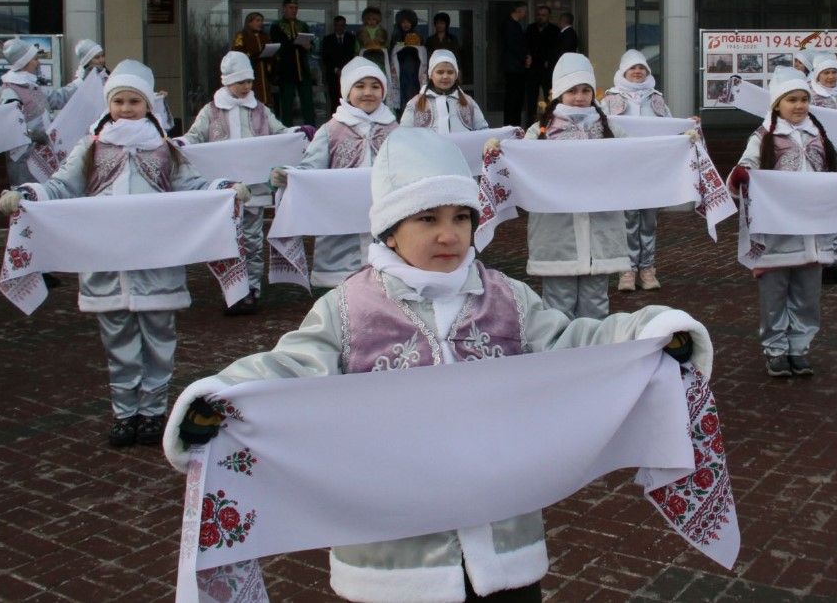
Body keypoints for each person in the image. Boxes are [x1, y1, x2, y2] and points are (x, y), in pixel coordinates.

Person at [164, 127, 711, 603]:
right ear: (389, 229)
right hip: (394, 558)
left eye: (460, 217)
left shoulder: (506, 297)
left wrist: (649, 334)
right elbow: (290, 370)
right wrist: (222, 398)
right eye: (426, 218)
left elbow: (574, 344)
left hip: (504, 544)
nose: (448, 234)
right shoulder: (350, 308)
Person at [0, 60, 250, 447]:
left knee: (159, 338)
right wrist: (28, 195)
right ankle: (124, 412)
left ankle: (152, 411)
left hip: (156, 263)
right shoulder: (91, 147)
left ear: (147, 105)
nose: (126, 108)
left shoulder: (165, 150)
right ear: (108, 104)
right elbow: (62, 185)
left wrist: (225, 188)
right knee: (118, 342)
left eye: (134, 101)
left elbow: (193, 185)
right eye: (119, 101)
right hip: (106, 265)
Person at [726, 66, 837, 378]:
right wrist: (740, 176)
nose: (800, 105)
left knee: (808, 297)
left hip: (814, 232)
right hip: (776, 235)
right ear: (777, 103)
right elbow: (744, 168)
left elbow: (836, 174)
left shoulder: (818, 135)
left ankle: (799, 347)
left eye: (804, 99)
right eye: (792, 99)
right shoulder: (764, 137)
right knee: (774, 296)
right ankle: (776, 349)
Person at [180, 51, 302, 313]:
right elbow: (194, 136)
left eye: (249, 81)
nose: (246, 87)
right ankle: (233, 289)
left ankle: (252, 289)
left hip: (255, 188)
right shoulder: (211, 111)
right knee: (226, 240)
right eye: (240, 82)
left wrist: (296, 134)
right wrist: (181, 143)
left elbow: (280, 132)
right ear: (227, 82)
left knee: (252, 239)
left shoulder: (260, 110)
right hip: (225, 190)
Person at [270, 57, 398, 290]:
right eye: (360, 86)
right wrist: (289, 176)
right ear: (347, 91)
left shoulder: (394, 129)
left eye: (375, 86)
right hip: (340, 223)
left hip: (383, 220)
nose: (368, 92)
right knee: (344, 290)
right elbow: (310, 169)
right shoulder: (331, 130)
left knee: (385, 285)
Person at [524, 53, 629, 319]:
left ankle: (594, 355)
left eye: (585, 90)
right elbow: (523, 166)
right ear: (557, 93)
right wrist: (499, 152)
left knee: (596, 302)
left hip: (600, 228)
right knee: (559, 304)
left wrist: (681, 136)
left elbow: (636, 157)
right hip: (558, 231)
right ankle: (561, 356)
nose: (579, 96)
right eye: (571, 90)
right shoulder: (541, 131)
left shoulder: (610, 128)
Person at [600, 49, 671, 293]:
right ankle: (627, 270)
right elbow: (599, 129)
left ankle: (648, 268)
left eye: (642, 68)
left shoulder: (657, 99)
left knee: (649, 219)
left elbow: (671, 128)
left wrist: (689, 128)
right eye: (633, 68)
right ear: (624, 71)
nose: (638, 72)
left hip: (650, 168)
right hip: (623, 169)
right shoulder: (609, 99)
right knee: (628, 219)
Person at [0, 38, 82, 186]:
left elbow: (57, 98)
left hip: (43, 153)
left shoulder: (30, 86)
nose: (38, 63)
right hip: (25, 161)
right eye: (35, 59)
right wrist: (32, 134)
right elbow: (10, 127)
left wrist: (81, 81)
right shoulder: (10, 92)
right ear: (24, 62)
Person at [807, 51, 837, 285]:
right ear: (817, 74)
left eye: (834, 72)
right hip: (817, 159)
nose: (830, 77)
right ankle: (815, 258)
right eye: (826, 72)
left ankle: (832, 260)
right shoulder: (809, 96)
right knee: (818, 207)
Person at [398, 50, 488, 132]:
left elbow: (483, 131)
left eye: (450, 72)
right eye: (440, 72)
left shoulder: (468, 102)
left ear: (456, 75)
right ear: (430, 75)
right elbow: (404, 135)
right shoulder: (415, 103)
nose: (445, 76)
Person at [269, 0, 315, 127]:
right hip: (286, 70)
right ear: (284, 8)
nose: (293, 10)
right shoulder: (276, 26)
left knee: (308, 102)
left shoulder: (303, 25)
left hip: (303, 70)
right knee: (287, 104)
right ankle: (286, 132)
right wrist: (295, 42)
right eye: (291, 7)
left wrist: (308, 46)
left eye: (295, 8)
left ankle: (311, 131)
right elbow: (277, 46)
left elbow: (312, 45)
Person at [524, 5, 558, 122]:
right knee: (531, 97)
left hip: (546, 69)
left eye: (543, 15)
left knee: (549, 95)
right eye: (538, 15)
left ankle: (550, 119)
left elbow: (555, 49)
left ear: (549, 16)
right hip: (533, 68)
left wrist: (550, 61)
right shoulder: (531, 28)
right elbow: (525, 45)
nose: (540, 17)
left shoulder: (554, 30)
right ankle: (530, 121)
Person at [232, 12, 274, 107]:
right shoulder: (241, 35)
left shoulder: (265, 36)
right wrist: (253, 55)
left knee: (265, 100)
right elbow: (237, 52)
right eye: (257, 20)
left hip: (263, 72)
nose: (260, 23)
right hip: (250, 72)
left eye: (261, 21)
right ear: (249, 22)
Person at [320, 16, 357, 114]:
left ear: (345, 26)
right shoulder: (328, 39)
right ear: (334, 26)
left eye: (342, 25)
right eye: (337, 25)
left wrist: (346, 70)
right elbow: (325, 58)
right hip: (333, 75)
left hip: (349, 74)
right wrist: (336, 70)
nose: (340, 28)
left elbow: (354, 56)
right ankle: (335, 123)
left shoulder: (352, 38)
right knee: (335, 101)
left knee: (349, 100)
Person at [391, 9, 427, 112]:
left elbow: (423, 53)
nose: (405, 24)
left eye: (408, 22)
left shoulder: (418, 35)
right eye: (403, 22)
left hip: (415, 72)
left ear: (412, 22)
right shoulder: (396, 35)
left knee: (414, 93)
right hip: (400, 72)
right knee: (402, 94)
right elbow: (392, 52)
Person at [501, 2, 528, 126]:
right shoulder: (510, 25)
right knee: (513, 99)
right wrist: (524, 58)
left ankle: (514, 124)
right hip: (514, 68)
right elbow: (513, 46)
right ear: (518, 10)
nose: (526, 13)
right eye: (524, 10)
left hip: (516, 67)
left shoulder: (515, 25)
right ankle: (511, 125)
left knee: (516, 99)